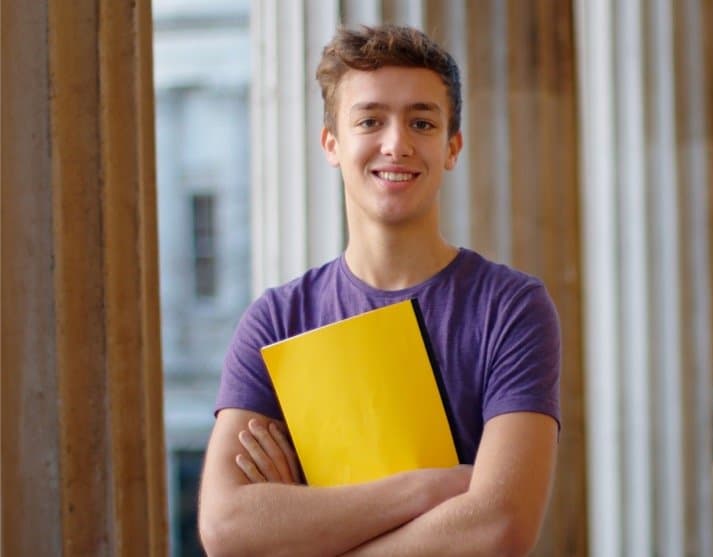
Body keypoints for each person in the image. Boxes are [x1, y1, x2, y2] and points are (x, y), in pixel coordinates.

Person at [198, 24, 561, 557]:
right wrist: (433, 487)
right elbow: (227, 529)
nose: (397, 143)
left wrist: (308, 528)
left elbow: (498, 527)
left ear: (452, 147)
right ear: (332, 144)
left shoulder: (511, 307)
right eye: (370, 120)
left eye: (422, 121)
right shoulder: (276, 319)